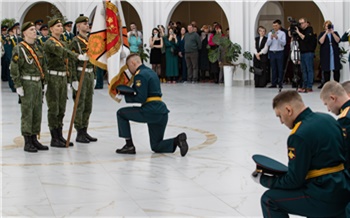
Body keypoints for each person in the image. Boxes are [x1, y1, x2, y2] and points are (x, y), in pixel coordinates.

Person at [251, 90, 350, 217]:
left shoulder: (298, 135)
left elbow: (294, 181)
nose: (281, 121)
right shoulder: (329, 119)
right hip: (344, 189)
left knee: (269, 199)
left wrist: (265, 180)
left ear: (288, 110)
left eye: (279, 116)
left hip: (323, 195)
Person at [115, 53, 189, 156]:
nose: (129, 70)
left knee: (120, 113)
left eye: (128, 67)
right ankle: (177, 140)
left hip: (150, 110)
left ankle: (129, 145)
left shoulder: (140, 74)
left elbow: (141, 97)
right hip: (162, 112)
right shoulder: (151, 72)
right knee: (156, 146)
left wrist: (125, 96)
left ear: (133, 63)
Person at [10, 21, 49, 152]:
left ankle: (34, 138)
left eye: (34, 29)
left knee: (37, 111)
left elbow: (44, 65)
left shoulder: (38, 47)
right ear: (25, 32)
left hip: (38, 83)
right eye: (31, 30)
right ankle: (27, 141)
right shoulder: (19, 48)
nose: (34, 32)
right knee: (28, 112)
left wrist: (45, 82)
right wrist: (18, 85)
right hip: (27, 83)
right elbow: (14, 68)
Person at [44, 18, 83, 148]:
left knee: (61, 108)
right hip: (53, 77)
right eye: (58, 26)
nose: (61, 28)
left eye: (61, 26)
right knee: (54, 108)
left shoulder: (62, 42)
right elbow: (63, 53)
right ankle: (54, 137)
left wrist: (69, 78)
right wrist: (77, 56)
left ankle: (59, 135)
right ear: (51, 29)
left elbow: (67, 61)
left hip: (62, 78)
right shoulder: (50, 43)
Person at [70, 14, 97, 143]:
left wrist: (95, 75)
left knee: (88, 104)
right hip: (80, 73)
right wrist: (73, 79)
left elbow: (94, 59)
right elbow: (71, 62)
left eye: (88, 24)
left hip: (90, 74)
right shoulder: (75, 41)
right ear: (79, 26)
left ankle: (85, 130)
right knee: (79, 104)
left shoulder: (91, 40)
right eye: (85, 24)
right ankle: (79, 131)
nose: (87, 25)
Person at [320, 81, 350, 169]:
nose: (328, 109)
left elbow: (346, 153)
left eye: (326, 104)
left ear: (333, 98)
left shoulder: (345, 120)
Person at [293, 17, 316, 93]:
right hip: (302, 52)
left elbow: (305, 38)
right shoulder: (301, 30)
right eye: (300, 23)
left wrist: (299, 33)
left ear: (306, 22)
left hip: (308, 52)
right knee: (303, 70)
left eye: (302, 23)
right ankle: (304, 85)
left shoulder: (309, 29)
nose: (301, 25)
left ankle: (309, 86)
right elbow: (292, 36)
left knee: (309, 69)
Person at [266, 19, 286, 88]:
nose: (274, 27)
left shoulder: (282, 33)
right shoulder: (269, 33)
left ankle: (280, 83)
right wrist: (271, 38)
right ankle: (273, 83)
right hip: (272, 52)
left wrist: (277, 38)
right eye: (273, 26)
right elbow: (268, 44)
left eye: (276, 25)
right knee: (273, 68)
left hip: (279, 52)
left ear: (279, 26)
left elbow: (284, 43)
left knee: (280, 68)